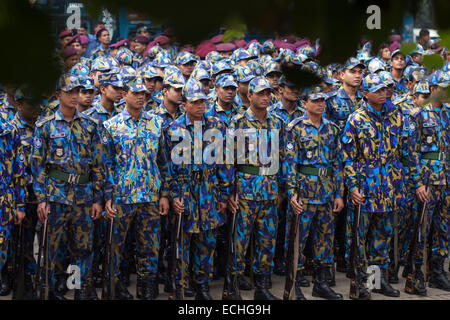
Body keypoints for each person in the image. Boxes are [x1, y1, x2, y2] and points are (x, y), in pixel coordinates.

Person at [31, 74, 104, 300]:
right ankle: (50, 290)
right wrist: (41, 198)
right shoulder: (45, 126)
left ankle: (78, 289)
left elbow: (99, 164)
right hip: (56, 196)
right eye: (69, 92)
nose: (74, 96)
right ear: (57, 95)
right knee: (52, 248)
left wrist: (98, 198)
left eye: (77, 92)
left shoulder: (90, 125)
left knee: (82, 249)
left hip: (83, 198)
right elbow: (37, 165)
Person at [103, 76, 170, 300]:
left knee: (150, 246)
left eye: (145, 94)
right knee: (116, 247)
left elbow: (163, 162)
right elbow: (106, 165)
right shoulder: (111, 126)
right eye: (136, 93)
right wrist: (108, 196)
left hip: (150, 196)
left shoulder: (156, 123)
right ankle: (115, 286)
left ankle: (147, 287)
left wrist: (164, 194)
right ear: (124, 95)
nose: (142, 97)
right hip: (122, 196)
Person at [167, 78, 231, 300]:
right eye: (195, 102)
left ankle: (202, 284)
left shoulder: (217, 126)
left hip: (209, 189)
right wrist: (174, 194)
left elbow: (225, 162)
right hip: (185, 189)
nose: (200, 106)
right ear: (184, 104)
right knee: (183, 240)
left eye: (203, 101)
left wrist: (224, 193)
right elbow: (168, 167)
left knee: (207, 240)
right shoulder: (174, 129)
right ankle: (182, 283)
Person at [341, 74, 403, 299]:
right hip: (363, 190)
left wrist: (399, 185)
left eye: (385, 89)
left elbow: (401, 153)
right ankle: (359, 282)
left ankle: (376, 282)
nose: (382, 93)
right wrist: (353, 186)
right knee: (358, 239)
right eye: (377, 90)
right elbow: (347, 157)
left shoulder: (395, 117)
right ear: (365, 93)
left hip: (387, 188)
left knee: (381, 239)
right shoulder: (355, 119)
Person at [284, 87, 344, 300]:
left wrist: (338, 193)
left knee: (325, 239)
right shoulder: (296, 128)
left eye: (323, 100)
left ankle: (322, 283)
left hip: (326, 192)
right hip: (304, 192)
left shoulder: (332, 128)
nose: (320, 104)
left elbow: (338, 163)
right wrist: (292, 193)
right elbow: (289, 164)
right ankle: (294, 285)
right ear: (305, 102)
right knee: (298, 239)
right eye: (316, 100)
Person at [227, 77, 283, 300]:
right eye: (260, 93)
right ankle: (233, 287)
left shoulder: (276, 122)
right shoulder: (238, 122)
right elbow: (227, 159)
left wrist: (282, 188)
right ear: (249, 96)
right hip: (245, 190)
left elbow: (284, 157)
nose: (266, 97)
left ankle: (262, 287)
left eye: (268, 93)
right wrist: (229, 191)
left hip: (269, 189)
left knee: (266, 241)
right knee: (239, 241)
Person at [408, 70, 450, 293]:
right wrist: (417, 183)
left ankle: (437, 271)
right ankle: (415, 274)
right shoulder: (418, 115)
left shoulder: (448, 114)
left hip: (446, 179)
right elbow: (411, 151)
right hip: (427, 179)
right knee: (421, 228)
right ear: (433, 90)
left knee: (443, 228)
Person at [325, 57, 365, 274]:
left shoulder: (365, 99)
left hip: (358, 165)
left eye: (360, 71)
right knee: (332, 215)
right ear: (341, 75)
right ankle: (327, 265)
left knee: (354, 214)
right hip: (336, 165)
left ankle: (349, 259)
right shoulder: (330, 101)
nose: (358, 74)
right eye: (353, 71)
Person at [10, 86, 41, 300]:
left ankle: (29, 280)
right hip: (15, 195)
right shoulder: (10, 130)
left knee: (30, 241)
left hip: (37, 195)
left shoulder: (42, 127)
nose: (36, 108)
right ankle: (11, 276)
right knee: (14, 241)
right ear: (19, 105)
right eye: (31, 104)